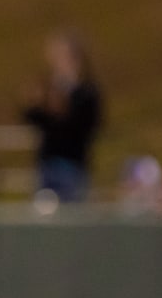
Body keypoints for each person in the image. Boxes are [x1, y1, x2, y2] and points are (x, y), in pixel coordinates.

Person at [21, 29, 103, 202]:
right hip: (48, 162)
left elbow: (88, 126)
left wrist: (60, 110)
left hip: (72, 164)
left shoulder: (86, 92)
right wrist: (37, 105)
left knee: (71, 215)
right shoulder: (49, 87)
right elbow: (33, 118)